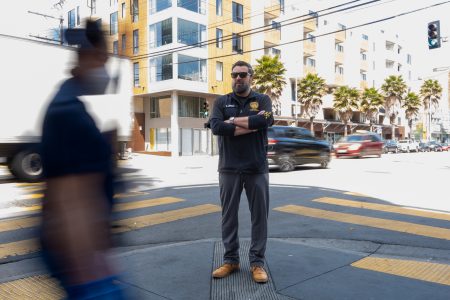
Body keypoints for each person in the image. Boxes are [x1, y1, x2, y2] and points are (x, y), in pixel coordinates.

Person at [40, 20, 124, 299]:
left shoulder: (69, 104)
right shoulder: (69, 114)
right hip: (82, 262)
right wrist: (92, 277)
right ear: (87, 56)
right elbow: (71, 202)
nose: (105, 66)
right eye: (103, 58)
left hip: (81, 256)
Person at [209, 61, 274, 283]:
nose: (238, 78)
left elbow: (266, 120)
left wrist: (234, 121)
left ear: (250, 77)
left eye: (243, 74)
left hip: (256, 168)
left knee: (259, 219)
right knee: (228, 218)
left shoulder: (262, 100)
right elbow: (216, 127)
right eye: (234, 74)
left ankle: (257, 264)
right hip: (228, 168)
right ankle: (231, 260)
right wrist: (251, 125)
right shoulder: (221, 101)